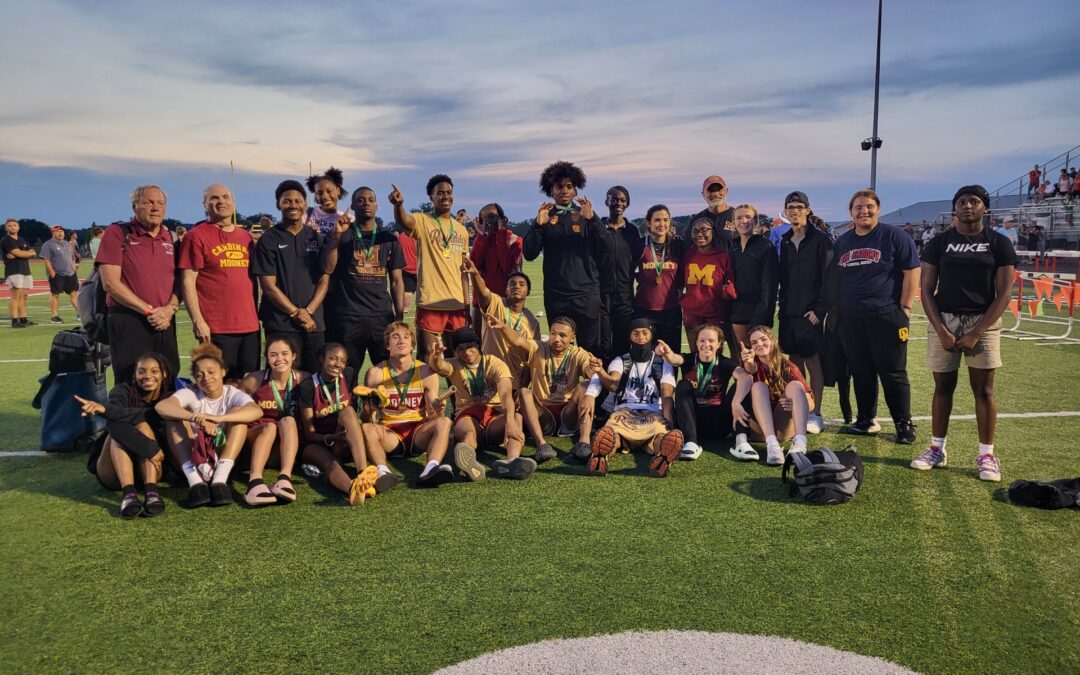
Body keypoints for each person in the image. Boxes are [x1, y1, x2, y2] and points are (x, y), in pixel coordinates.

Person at [914, 185, 1016, 482]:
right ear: (954, 208)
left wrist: (976, 332)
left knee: (983, 390)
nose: (967, 206)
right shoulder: (939, 243)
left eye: (974, 201)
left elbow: (1004, 293)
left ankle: (987, 455)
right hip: (945, 319)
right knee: (942, 387)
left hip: (983, 321)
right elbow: (925, 290)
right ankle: (937, 449)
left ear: (985, 207)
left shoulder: (999, 243)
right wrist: (942, 330)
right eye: (961, 202)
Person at [832, 188, 920, 443]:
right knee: (861, 370)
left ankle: (903, 423)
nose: (864, 211)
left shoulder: (894, 236)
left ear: (878, 209)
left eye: (869, 206)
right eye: (858, 207)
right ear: (851, 212)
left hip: (886, 315)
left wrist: (905, 307)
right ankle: (866, 419)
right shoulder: (843, 242)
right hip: (851, 317)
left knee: (893, 372)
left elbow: (912, 270)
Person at [486, 313, 611, 463]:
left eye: (563, 335)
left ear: (572, 338)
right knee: (524, 392)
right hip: (543, 414)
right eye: (553, 333)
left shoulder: (578, 353)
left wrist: (591, 393)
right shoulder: (538, 347)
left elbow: (594, 375)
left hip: (568, 414)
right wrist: (503, 327)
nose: (556, 339)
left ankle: (584, 444)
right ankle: (541, 445)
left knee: (586, 385)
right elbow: (518, 341)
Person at [155, 343, 263, 508]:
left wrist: (218, 419)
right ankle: (195, 483)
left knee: (238, 416)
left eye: (211, 372)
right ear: (194, 378)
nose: (206, 378)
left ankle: (220, 481)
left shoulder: (231, 393)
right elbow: (162, 407)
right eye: (199, 375)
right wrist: (197, 418)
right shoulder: (191, 392)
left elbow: (256, 411)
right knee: (173, 419)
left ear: (223, 372)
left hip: (221, 456)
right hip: (193, 458)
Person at [523, 161, 612, 355]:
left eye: (569, 186)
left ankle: (589, 377)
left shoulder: (586, 215)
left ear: (575, 190)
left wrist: (593, 220)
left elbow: (608, 247)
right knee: (559, 352)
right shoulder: (545, 217)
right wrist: (537, 225)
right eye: (559, 186)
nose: (564, 190)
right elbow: (529, 254)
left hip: (586, 295)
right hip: (557, 297)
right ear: (551, 190)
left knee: (590, 352)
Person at [295, 343, 401, 504]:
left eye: (343, 361)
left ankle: (362, 472)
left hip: (341, 439)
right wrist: (332, 437)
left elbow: (355, 417)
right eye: (332, 358)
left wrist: (369, 408)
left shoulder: (348, 374)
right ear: (321, 359)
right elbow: (309, 434)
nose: (338, 364)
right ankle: (353, 490)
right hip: (317, 443)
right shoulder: (308, 386)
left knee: (348, 411)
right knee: (331, 464)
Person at [75, 352, 175, 518]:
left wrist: (107, 411)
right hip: (113, 473)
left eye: (154, 371)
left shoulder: (169, 397)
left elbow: (154, 416)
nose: (147, 376)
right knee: (119, 429)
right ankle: (128, 495)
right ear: (134, 374)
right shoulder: (121, 391)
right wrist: (148, 447)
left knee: (141, 425)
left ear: (164, 374)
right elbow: (112, 424)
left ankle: (151, 493)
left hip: (151, 469)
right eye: (141, 371)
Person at [425, 327, 533, 481]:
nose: (466, 353)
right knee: (469, 433)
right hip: (467, 413)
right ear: (455, 352)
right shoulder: (454, 364)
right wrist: (435, 356)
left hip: (493, 413)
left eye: (470, 347)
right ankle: (467, 460)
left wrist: (509, 423)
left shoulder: (494, 363)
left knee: (516, 418)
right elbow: (440, 367)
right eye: (460, 349)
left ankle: (512, 461)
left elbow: (505, 395)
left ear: (478, 346)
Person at [97, 185, 181, 383]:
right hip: (129, 319)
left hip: (164, 320)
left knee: (168, 376)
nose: (155, 208)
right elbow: (110, 284)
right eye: (149, 202)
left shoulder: (171, 238)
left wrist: (169, 309)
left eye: (160, 203)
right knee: (132, 379)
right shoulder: (118, 233)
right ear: (135, 206)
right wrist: (149, 311)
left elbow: (180, 281)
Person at [581, 319, 684, 478]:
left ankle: (663, 457)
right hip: (624, 411)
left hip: (653, 412)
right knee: (611, 435)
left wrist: (669, 421)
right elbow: (613, 384)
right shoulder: (620, 361)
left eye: (645, 333)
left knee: (661, 437)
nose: (640, 337)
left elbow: (666, 394)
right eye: (635, 333)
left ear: (651, 335)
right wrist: (600, 371)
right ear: (629, 336)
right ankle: (601, 457)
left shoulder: (663, 363)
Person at [179, 184, 260, 381]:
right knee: (216, 385)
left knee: (249, 384)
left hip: (249, 326)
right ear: (205, 205)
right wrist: (198, 321)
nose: (221, 201)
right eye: (214, 198)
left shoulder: (246, 237)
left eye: (225, 197)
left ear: (233, 202)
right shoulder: (195, 236)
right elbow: (188, 280)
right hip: (216, 327)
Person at [359, 322, 455, 488]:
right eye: (395, 337)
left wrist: (438, 410)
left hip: (418, 432)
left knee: (444, 421)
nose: (401, 340)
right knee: (366, 428)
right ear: (387, 345)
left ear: (412, 345)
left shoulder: (425, 371)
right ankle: (382, 472)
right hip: (390, 433)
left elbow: (433, 416)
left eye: (406, 337)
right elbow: (368, 420)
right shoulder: (375, 373)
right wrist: (368, 410)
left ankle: (431, 468)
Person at [322, 186, 405, 380]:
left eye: (370, 200)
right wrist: (335, 237)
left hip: (381, 316)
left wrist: (399, 316)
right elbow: (328, 268)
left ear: (377, 205)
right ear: (352, 206)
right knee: (347, 373)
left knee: (386, 373)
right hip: (348, 316)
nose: (366, 203)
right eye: (360, 200)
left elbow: (396, 280)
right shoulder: (342, 233)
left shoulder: (388, 238)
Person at [388, 175, 469, 359]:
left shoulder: (461, 230)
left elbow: (463, 272)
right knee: (427, 356)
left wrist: (466, 305)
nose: (445, 196)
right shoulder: (423, 220)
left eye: (449, 192)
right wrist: (398, 205)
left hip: (456, 303)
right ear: (431, 197)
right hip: (431, 301)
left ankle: (453, 382)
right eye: (440, 193)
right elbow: (404, 220)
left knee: (456, 357)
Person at [253, 180, 329, 372]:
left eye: (297, 201)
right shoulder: (269, 239)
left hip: (313, 322)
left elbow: (324, 279)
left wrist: (309, 311)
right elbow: (268, 286)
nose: (293, 205)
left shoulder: (315, 237)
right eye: (287, 201)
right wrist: (297, 313)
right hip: (281, 323)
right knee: (281, 377)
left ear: (305, 204)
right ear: (278, 204)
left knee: (314, 377)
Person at [777, 191, 832, 435]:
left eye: (799, 207)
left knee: (813, 363)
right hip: (789, 312)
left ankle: (816, 413)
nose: (795, 211)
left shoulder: (821, 240)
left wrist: (820, 310)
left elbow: (829, 277)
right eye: (791, 207)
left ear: (808, 210)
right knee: (794, 365)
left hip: (810, 313)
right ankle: (799, 408)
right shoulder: (786, 240)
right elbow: (785, 277)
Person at [731, 325, 813, 465]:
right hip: (759, 429)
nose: (759, 344)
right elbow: (750, 370)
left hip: (782, 427)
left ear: (773, 341)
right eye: (754, 342)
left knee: (795, 385)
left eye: (763, 339)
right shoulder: (750, 364)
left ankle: (800, 443)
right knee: (758, 386)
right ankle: (772, 445)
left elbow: (811, 403)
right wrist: (747, 363)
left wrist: (795, 405)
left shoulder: (788, 366)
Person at [239, 337, 306, 506]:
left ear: (293, 356)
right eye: (273, 355)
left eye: (284, 354)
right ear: (267, 358)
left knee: (288, 421)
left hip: (283, 447)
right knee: (269, 427)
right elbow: (233, 404)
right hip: (255, 442)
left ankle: (284, 479)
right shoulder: (254, 380)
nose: (279, 359)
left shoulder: (304, 379)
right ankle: (254, 481)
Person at [670, 324, 744, 460]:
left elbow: (743, 376)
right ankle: (691, 442)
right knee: (682, 385)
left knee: (741, 385)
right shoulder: (689, 359)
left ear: (719, 344)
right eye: (702, 340)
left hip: (720, 423)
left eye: (711, 341)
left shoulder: (724, 362)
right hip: (693, 422)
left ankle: (741, 441)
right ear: (697, 343)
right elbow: (674, 359)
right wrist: (667, 354)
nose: (706, 345)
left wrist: (737, 401)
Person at [461, 256, 539, 384]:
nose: (516, 286)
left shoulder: (532, 322)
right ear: (506, 290)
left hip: (514, 381)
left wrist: (522, 387)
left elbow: (532, 358)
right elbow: (483, 293)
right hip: (489, 378)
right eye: (512, 284)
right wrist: (475, 274)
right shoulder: (497, 304)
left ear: (528, 291)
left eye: (522, 284)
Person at [728, 204, 779, 358]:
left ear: (755, 221)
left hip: (759, 310)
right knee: (744, 358)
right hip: (738, 311)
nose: (743, 221)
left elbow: (770, 286)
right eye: (739, 218)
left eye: (748, 217)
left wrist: (762, 315)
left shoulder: (765, 246)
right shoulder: (733, 246)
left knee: (764, 358)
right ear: (733, 222)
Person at [633, 204, 686, 351]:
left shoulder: (677, 245)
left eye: (665, 220)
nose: (662, 224)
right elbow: (628, 274)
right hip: (644, 310)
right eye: (657, 220)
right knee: (644, 355)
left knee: (671, 354)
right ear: (648, 223)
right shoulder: (639, 245)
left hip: (671, 310)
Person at [679, 216, 736, 350]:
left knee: (714, 354)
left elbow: (731, 285)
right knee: (695, 353)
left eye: (704, 230)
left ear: (713, 232)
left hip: (715, 314)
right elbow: (678, 283)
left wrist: (728, 291)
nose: (700, 234)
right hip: (692, 313)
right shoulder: (686, 256)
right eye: (695, 230)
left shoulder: (723, 257)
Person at [602, 185, 642, 360]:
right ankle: (602, 376)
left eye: (623, 200)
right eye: (614, 199)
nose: (618, 203)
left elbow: (638, 259)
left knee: (622, 343)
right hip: (601, 294)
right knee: (602, 343)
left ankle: (620, 376)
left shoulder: (632, 230)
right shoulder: (598, 227)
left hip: (624, 295)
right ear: (607, 201)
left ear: (627, 204)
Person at [468, 203, 522, 329]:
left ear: (502, 218)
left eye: (493, 217)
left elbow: (506, 266)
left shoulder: (514, 240)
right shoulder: (482, 240)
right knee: (478, 340)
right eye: (486, 219)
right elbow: (473, 265)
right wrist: (481, 235)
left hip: (505, 302)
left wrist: (501, 233)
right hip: (481, 302)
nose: (490, 221)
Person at [40, 225, 80, 323]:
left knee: (74, 293)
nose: (60, 233)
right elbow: (46, 259)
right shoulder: (48, 244)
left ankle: (80, 314)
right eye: (57, 231)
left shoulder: (67, 244)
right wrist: (52, 272)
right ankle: (55, 316)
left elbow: (72, 257)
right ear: (53, 233)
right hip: (57, 274)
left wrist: (74, 268)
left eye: (62, 231)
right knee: (55, 295)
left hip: (70, 273)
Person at [3, 218, 35, 328]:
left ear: (18, 227)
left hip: (25, 270)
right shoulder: (6, 240)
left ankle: (23, 319)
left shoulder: (22, 239)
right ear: (6, 228)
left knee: (24, 295)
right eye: (9, 225)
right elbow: (19, 253)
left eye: (14, 225)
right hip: (14, 271)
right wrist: (23, 254)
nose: (12, 227)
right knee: (15, 296)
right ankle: (14, 321)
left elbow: (33, 252)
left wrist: (22, 254)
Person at [687, 175, 735, 248]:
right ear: (703, 194)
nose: (715, 194)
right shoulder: (696, 220)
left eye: (719, 189)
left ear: (726, 191)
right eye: (710, 190)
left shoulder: (739, 217)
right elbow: (687, 247)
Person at [305, 167, 349, 237]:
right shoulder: (306, 214)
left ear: (338, 191)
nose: (324, 196)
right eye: (319, 193)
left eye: (329, 191)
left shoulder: (346, 220)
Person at [397, 227, 418, 314]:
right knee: (422, 289)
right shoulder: (418, 236)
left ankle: (406, 308)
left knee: (408, 290)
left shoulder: (401, 236)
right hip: (419, 268)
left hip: (406, 267)